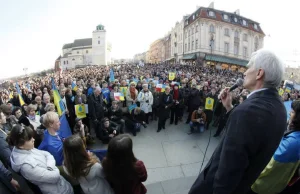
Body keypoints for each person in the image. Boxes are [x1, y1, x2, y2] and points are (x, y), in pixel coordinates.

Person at [189, 49, 287, 194]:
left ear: (259, 73)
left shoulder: (246, 111)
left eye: (249, 67)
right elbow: (248, 133)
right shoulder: (280, 108)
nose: (245, 72)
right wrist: (229, 107)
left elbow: (229, 171)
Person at [250, 100, 300, 194]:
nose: (289, 112)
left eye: (293, 112)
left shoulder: (291, 143)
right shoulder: (295, 136)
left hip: (261, 186)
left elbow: (269, 167)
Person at [9, 125, 73, 194]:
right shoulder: (26, 167)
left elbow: (47, 154)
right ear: (21, 145)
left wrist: (50, 167)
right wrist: (52, 167)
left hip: (61, 185)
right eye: (30, 139)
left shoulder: (27, 148)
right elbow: (55, 176)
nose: (33, 139)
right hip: (57, 190)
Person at [0, 111, 20, 193]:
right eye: (2, 116)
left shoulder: (3, 129)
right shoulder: (0, 140)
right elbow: (9, 158)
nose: (5, 116)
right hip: (15, 168)